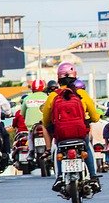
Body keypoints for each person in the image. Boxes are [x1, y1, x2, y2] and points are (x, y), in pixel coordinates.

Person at [41, 62, 101, 192]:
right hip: (80, 133)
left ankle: (59, 178)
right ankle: (93, 176)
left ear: (58, 78)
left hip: (61, 135)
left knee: (57, 150)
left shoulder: (53, 95)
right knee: (88, 148)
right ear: (75, 77)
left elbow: (45, 120)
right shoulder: (81, 94)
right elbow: (95, 117)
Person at [22, 79, 48, 160]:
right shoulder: (47, 97)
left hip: (32, 125)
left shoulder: (27, 99)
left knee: (30, 136)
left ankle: (31, 152)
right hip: (45, 124)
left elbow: (22, 113)